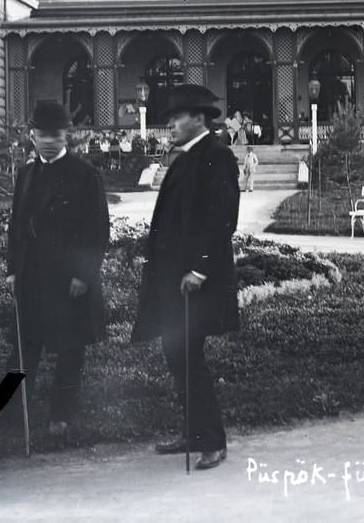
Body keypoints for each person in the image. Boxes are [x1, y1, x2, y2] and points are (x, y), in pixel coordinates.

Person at [132, 84, 241, 470]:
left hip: (196, 278)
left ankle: (213, 441)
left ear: (199, 118)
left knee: (189, 358)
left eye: (177, 118)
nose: (171, 125)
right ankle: (194, 433)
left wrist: (199, 268)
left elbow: (222, 218)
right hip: (173, 276)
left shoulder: (218, 156)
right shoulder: (184, 158)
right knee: (176, 354)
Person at [5, 101, 110, 436]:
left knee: (69, 348)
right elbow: (16, 226)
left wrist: (84, 274)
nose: (48, 141)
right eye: (41, 135)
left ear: (67, 134)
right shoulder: (26, 173)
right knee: (24, 348)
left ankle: (61, 415)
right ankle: (12, 415)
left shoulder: (84, 173)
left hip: (69, 280)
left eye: (55, 134)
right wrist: (12, 269)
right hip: (32, 277)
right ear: (31, 136)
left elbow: (97, 229)